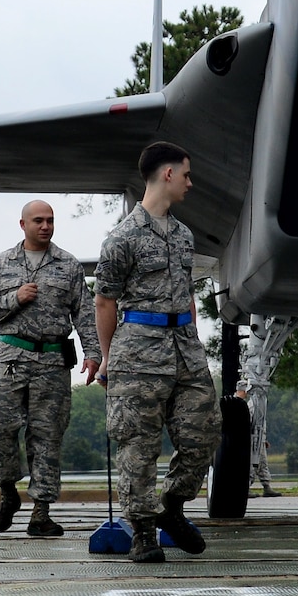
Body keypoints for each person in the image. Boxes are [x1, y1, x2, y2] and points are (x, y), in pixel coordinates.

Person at [94, 141, 221, 564]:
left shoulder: (184, 235)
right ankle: (143, 532)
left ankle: (173, 505)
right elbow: (105, 301)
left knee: (204, 432)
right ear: (167, 174)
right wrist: (109, 357)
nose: (190, 182)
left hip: (185, 348)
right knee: (138, 445)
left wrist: (195, 339)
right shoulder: (122, 238)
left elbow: (186, 294)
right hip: (138, 352)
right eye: (186, 174)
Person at [0, 199, 102, 535]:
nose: (45, 226)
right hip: (11, 357)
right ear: (23, 225)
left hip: (52, 361)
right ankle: (7, 493)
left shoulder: (69, 265)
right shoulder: (2, 263)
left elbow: (85, 314)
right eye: (38, 221)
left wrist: (94, 354)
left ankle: (41, 513)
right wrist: (13, 298)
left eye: (50, 221)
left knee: (47, 436)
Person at [241, 383, 280, 498]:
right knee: (251, 464)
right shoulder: (252, 405)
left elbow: (260, 424)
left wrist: (263, 439)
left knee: (262, 463)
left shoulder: (260, 404)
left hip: (259, 439)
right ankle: (246, 487)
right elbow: (251, 424)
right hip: (252, 440)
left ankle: (266, 487)